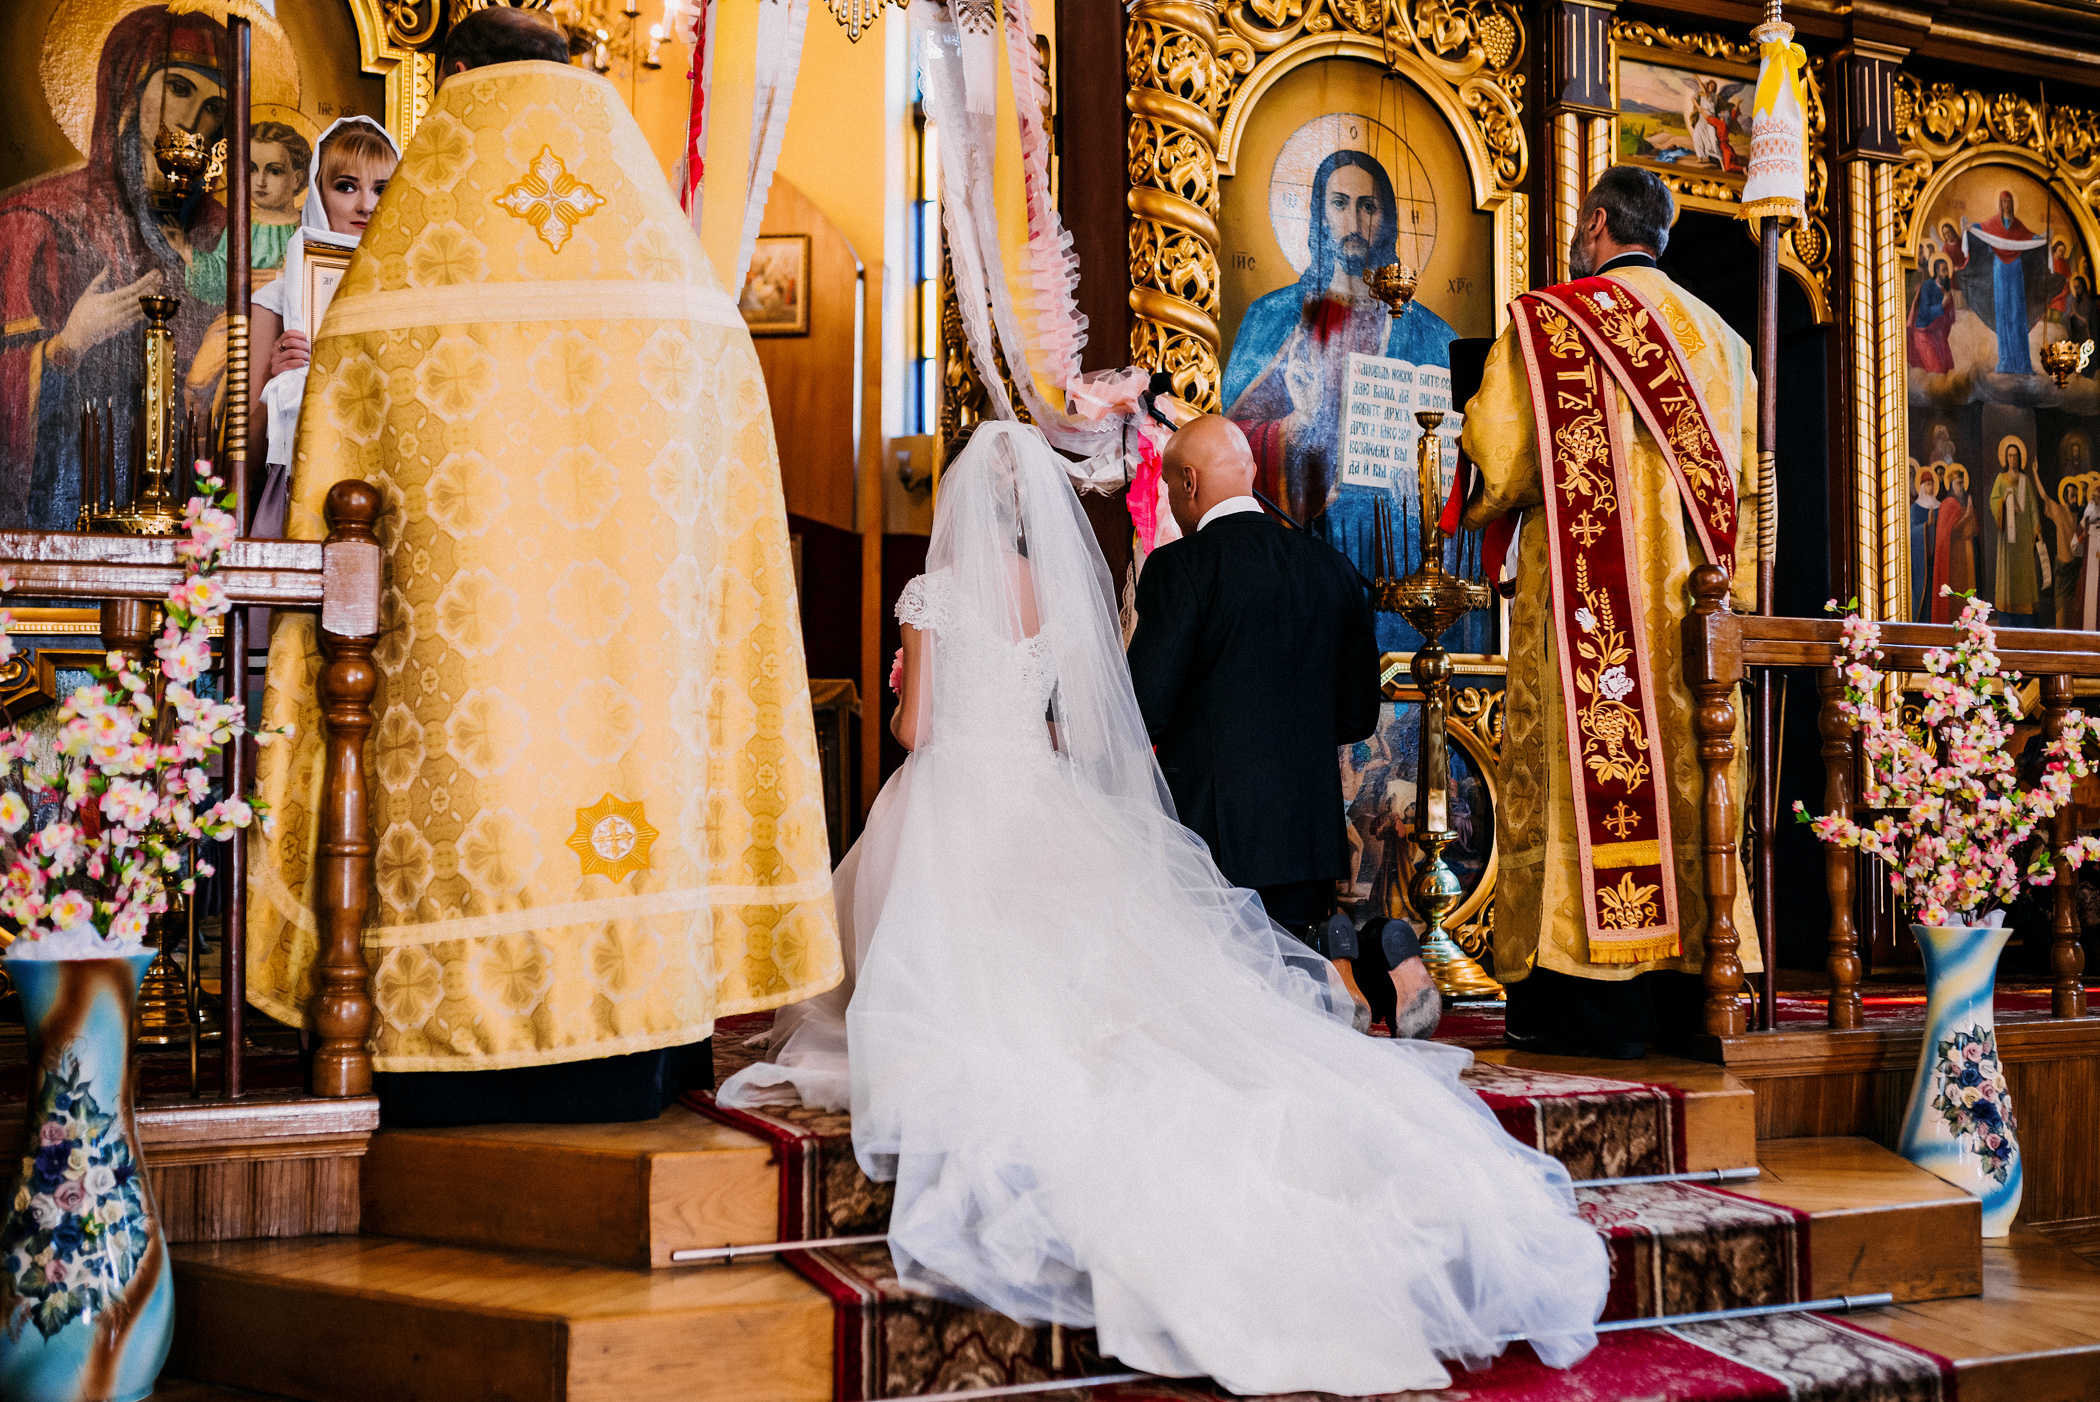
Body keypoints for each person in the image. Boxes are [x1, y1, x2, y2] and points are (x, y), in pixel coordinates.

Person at [718, 421, 1608, 1396]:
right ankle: (1364, 956)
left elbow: (933, 724)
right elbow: (1325, 714)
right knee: (1120, 969)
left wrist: (903, 686)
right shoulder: (1244, 575)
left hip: (988, 795)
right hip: (1157, 807)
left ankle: (1353, 961)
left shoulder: (966, 590)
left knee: (957, 956)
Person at [246, 4, 842, 1125]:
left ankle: (455, 1047)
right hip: (634, 681)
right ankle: (633, 1046)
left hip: (460, 689)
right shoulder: (674, 287)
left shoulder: (398, 282)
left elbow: (332, 474)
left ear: (458, 73)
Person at [1459, 166, 1761, 1059]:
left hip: (1589, 624)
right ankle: (1694, 987)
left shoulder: (1549, 324)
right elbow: (1746, 485)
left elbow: (1500, 461)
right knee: (1687, 781)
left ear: (1595, 225)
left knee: (1577, 792)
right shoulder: (1726, 344)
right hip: (1689, 625)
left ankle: (1583, 1005)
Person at [1126, 414, 1439, 1036]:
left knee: (1231, 1004)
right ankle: (1366, 947)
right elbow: (1355, 716)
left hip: (1213, 839)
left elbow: (1141, 709)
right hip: (1309, 838)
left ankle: (1343, 960)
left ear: (1188, 482)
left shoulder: (1179, 568)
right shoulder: (1333, 570)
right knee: (1282, 966)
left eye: (1167, 489)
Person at [1222, 151, 1466, 651]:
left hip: (1397, 561)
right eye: (1339, 204)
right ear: (1318, 213)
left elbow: (1465, 460)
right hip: (1303, 551)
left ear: (1389, 219)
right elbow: (1230, 445)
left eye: (1368, 207)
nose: (1354, 221)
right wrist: (1300, 424)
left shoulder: (1431, 335)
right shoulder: (1274, 317)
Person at [0, 4, 229, 528]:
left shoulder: (226, 238)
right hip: (66, 524)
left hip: (188, 528)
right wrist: (66, 347)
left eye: (216, 106)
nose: (195, 122)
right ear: (129, 89)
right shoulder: (37, 221)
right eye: (180, 90)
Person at [244, 116, 401, 537]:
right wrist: (276, 383)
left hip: (392, 490)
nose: (366, 205)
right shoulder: (275, 300)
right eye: (347, 186)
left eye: (383, 189)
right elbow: (243, 454)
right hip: (303, 491)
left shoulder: (414, 295)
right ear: (316, 191)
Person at [1959, 192, 2058, 376]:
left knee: (2017, 313)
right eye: (2003, 201)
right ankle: (2005, 361)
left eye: (2009, 201)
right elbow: (1981, 229)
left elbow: (2029, 237)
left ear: (2013, 203)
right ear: (1999, 203)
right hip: (2000, 269)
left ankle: (2021, 363)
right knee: (2004, 312)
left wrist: (2043, 240)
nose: (2006, 204)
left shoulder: (2017, 225)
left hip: (2015, 269)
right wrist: (1970, 227)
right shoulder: (1994, 224)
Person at [1989, 437, 2045, 626]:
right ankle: (2008, 617)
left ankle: (2027, 618)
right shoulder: (2000, 479)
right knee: (2008, 576)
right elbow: (1993, 501)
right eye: (2010, 456)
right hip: (2008, 538)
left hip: (2024, 536)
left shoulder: (2025, 480)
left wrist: (2037, 530)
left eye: (2015, 456)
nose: (2013, 459)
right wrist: (2004, 503)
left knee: (2025, 577)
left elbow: (2032, 506)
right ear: (2006, 458)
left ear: (2020, 459)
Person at [1931, 464, 1979, 624]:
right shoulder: (1948, 503)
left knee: (1967, 593)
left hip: (1967, 555)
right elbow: (1950, 532)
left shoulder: (1964, 503)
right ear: (1951, 485)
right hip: (1954, 559)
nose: (1962, 487)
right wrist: (1967, 514)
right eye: (1959, 483)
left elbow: (1974, 530)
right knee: (1956, 594)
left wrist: (1970, 516)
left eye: (1963, 483)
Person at [1912, 464, 1942, 620]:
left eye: (1932, 484)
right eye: (1928, 484)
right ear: (1922, 486)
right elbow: (1911, 531)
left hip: (1938, 554)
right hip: (1923, 559)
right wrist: (1926, 526)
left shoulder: (1940, 506)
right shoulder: (1916, 508)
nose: (1931, 487)